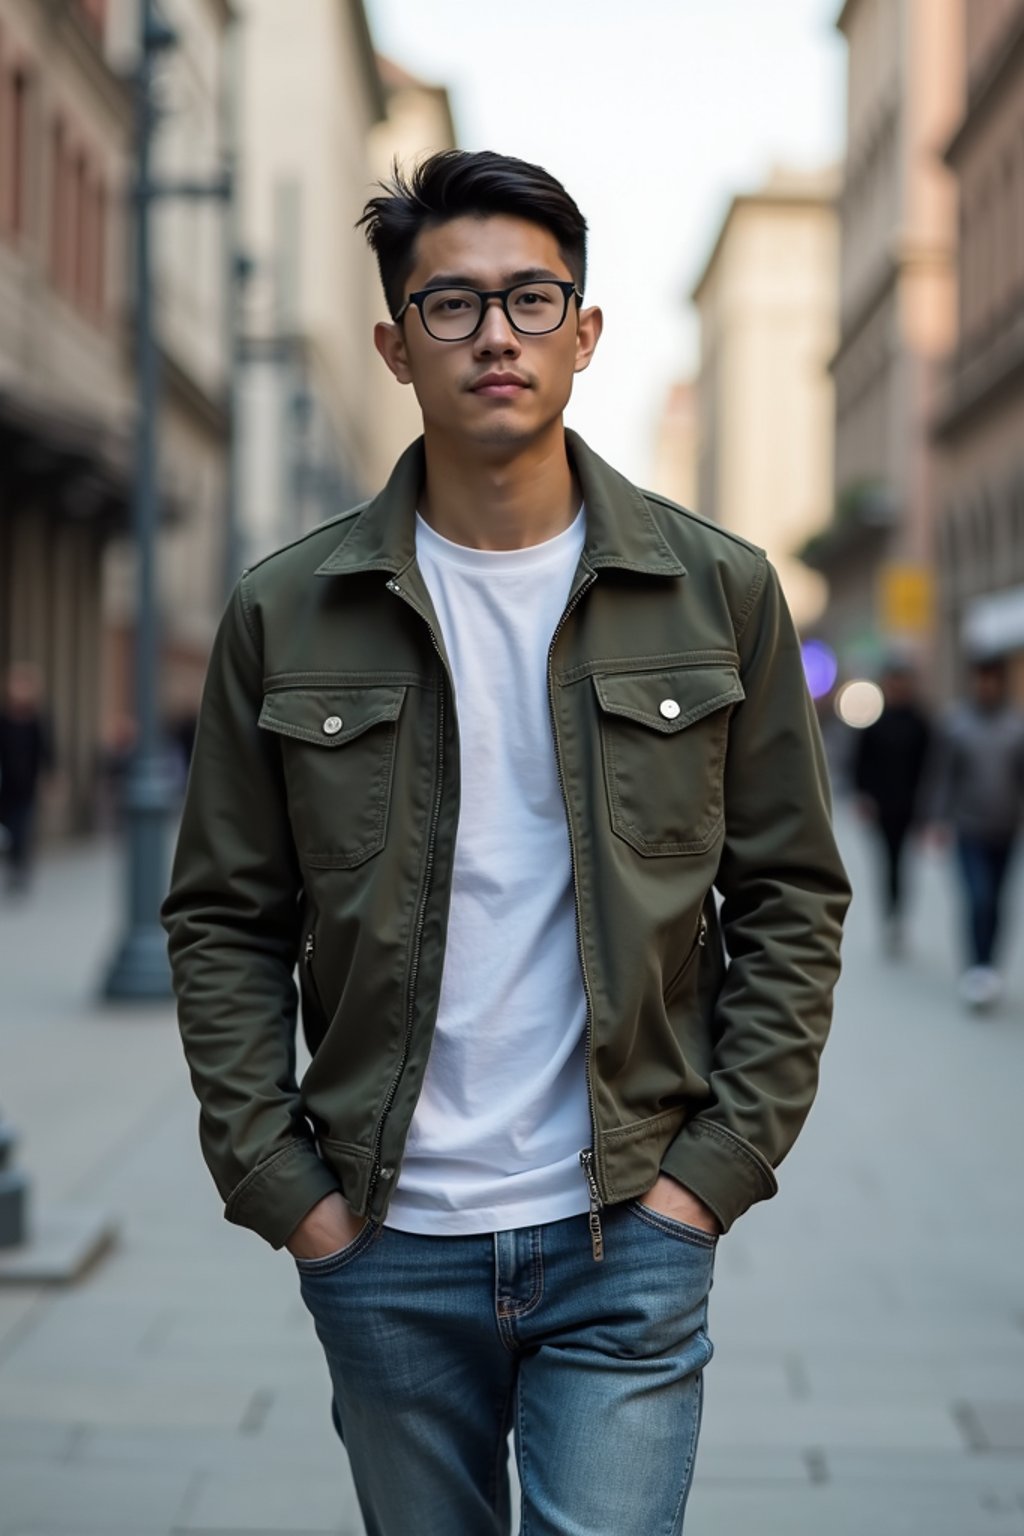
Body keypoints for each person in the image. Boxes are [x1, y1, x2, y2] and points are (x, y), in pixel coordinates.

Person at [162, 151, 851, 1535]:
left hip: (628, 1239)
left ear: (585, 336)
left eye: (534, 301)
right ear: (394, 345)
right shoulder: (286, 612)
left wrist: (706, 1183)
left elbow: (791, 898)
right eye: (452, 305)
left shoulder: (720, 594)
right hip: (384, 1240)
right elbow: (222, 916)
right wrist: (287, 1190)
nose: (495, 335)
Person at [930, 652, 1024, 1010]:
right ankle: (975, 968)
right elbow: (941, 777)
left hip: (1006, 827)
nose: (985, 685)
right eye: (980, 678)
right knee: (978, 898)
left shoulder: (1016, 726)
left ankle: (989, 967)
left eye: (991, 679)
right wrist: (936, 819)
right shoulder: (956, 724)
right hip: (968, 828)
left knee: (998, 902)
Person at [852, 659, 932, 955]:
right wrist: (864, 796)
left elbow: (930, 768)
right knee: (888, 862)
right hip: (883, 806)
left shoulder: (920, 722)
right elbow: (861, 763)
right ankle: (890, 916)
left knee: (904, 864)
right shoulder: (876, 723)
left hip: (911, 806)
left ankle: (899, 915)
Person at [0, 662, 53, 895]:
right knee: (8, 829)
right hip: (5, 785)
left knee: (23, 828)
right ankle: (13, 867)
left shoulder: (36, 720)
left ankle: (21, 870)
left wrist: (51, 778)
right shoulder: (3, 719)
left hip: (27, 785)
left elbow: (46, 750)